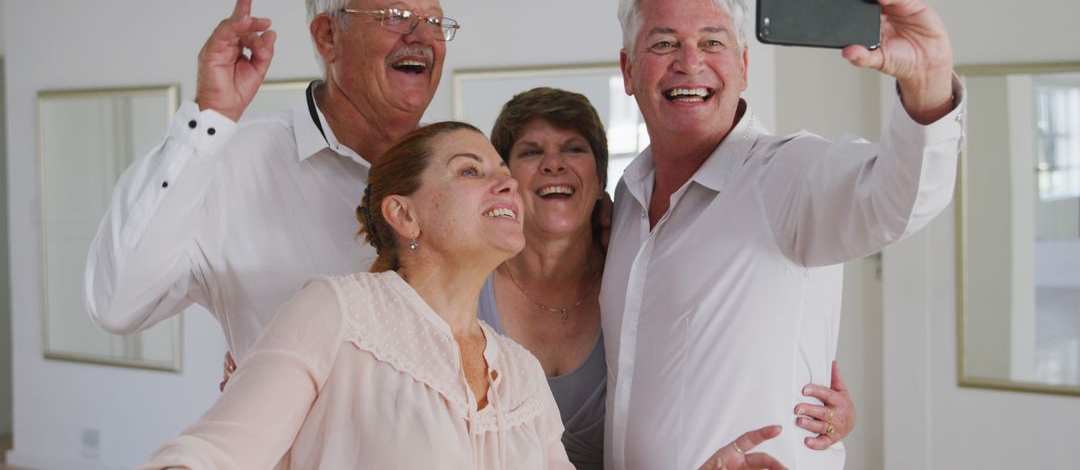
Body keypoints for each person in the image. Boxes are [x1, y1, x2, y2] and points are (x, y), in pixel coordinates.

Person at [142, 122, 784, 469]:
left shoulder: (521, 377)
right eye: (471, 172)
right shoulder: (335, 313)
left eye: (504, 174)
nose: (506, 186)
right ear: (405, 214)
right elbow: (210, 455)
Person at [601, 0, 964, 469]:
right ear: (628, 71)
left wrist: (927, 79)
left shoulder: (788, 174)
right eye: (663, 44)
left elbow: (897, 201)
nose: (690, 62)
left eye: (712, 42)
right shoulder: (626, 198)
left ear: (744, 66)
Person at [84, 0, 455, 359]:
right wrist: (210, 117)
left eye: (435, 22)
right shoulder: (230, 164)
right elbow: (116, 305)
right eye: (397, 17)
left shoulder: (462, 170)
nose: (422, 36)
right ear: (328, 36)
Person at [482, 88, 857, 469]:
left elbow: (728, 347)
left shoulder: (634, 272)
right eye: (531, 152)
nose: (553, 164)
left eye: (573, 149)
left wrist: (819, 408)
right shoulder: (469, 283)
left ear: (599, 182)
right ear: (505, 180)